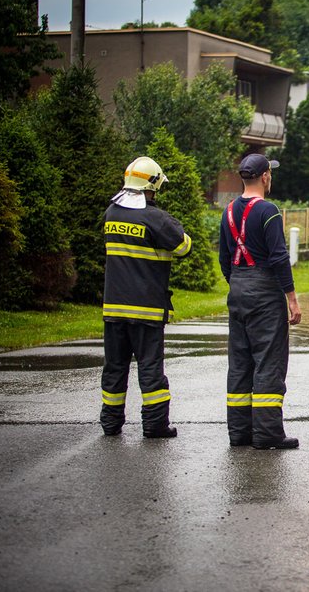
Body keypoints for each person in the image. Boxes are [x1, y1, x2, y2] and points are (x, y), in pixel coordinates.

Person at [101, 156, 192, 438]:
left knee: (114, 367)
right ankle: (154, 425)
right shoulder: (155, 218)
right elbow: (184, 246)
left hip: (113, 308)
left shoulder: (111, 214)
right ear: (152, 185)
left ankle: (110, 422)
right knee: (150, 367)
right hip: (146, 309)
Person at [219, 153, 302, 450]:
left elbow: (224, 259)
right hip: (265, 293)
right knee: (268, 361)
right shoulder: (268, 211)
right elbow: (279, 257)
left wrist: (239, 285)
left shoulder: (228, 211)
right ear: (265, 176)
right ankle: (267, 433)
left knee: (240, 364)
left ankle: (239, 432)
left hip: (238, 289)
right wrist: (291, 298)